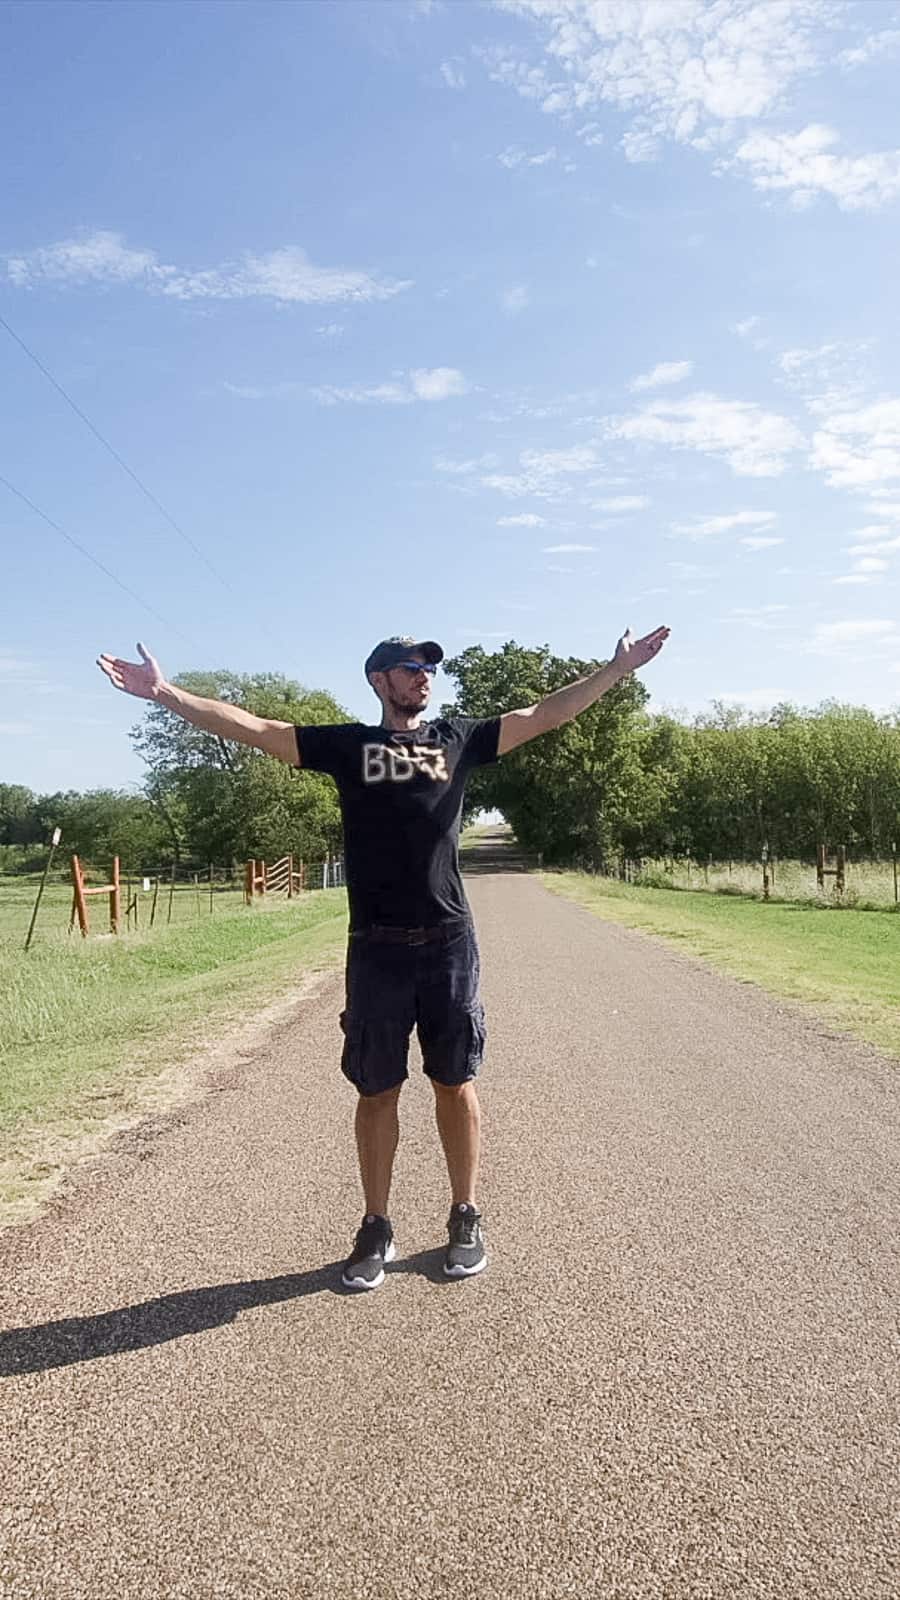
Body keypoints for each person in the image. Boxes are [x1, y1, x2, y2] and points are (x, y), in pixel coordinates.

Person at [98, 625, 669, 1289]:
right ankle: (376, 1226)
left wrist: (616, 671)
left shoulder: (457, 739)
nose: (424, 675)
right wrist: (166, 694)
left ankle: (465, 1213)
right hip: (376, 949)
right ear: (379, 680)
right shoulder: (348, 747)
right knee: (377, 1089)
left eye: (429, 665)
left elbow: (544, 714)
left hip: (449, 941)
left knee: (455, 1080)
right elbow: (253, 727)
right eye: (408, 666)